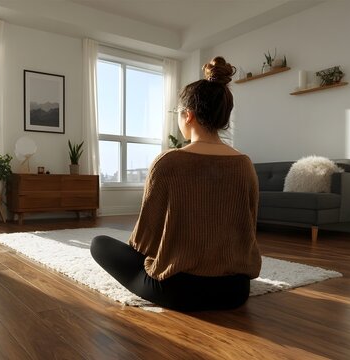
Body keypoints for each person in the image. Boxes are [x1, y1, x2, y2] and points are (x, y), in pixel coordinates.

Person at [90, 56, 261, 312]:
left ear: (188, 115)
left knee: (99, 244)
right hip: (235, 291)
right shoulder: (244, 163)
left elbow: (144, 241)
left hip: (178, 290)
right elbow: (247, 228)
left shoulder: (169, 161)